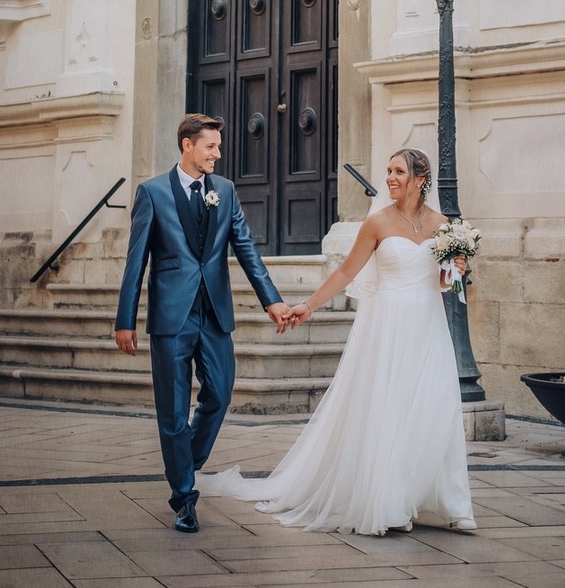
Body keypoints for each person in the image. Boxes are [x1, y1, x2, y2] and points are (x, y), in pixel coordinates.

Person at [199, 148, 476, 536]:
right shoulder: (377, 222)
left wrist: (456, 269)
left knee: (434, 407)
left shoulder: (443, 225)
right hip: (388, 325)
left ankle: (448, 503)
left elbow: (443, 283)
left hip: (428, 326)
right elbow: (347, 271)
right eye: (388, 171)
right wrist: (309, 305)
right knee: (390, 410)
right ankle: (389, 503)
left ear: (420, 178)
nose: (390, 178)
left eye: (398, 171)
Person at [114, 114, 292, 534]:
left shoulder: (225, 191)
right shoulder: (152, 193)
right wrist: (126, 319)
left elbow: (245, 247)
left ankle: (183, 463)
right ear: (187, 145)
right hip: (171, 318)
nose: (218, 153)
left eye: (218, 146)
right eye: (210, 146)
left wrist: (273, 300)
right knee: (172, 411)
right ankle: (184, 497)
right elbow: (135, 260)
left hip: (213, 313)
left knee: (219, 393)